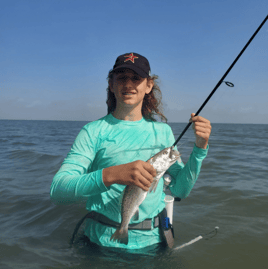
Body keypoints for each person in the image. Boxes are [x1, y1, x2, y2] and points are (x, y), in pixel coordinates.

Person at [50, 52, 211, 250]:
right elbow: (58, 190)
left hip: (152, 245)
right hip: (100, 244)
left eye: (136, 78)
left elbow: (180, 190)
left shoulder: (163, 132)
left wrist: (200, 149)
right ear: (111, 84)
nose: (128, 84)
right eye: (121, 78)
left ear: (148, 86)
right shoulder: (93, 131)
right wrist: (111, 175)